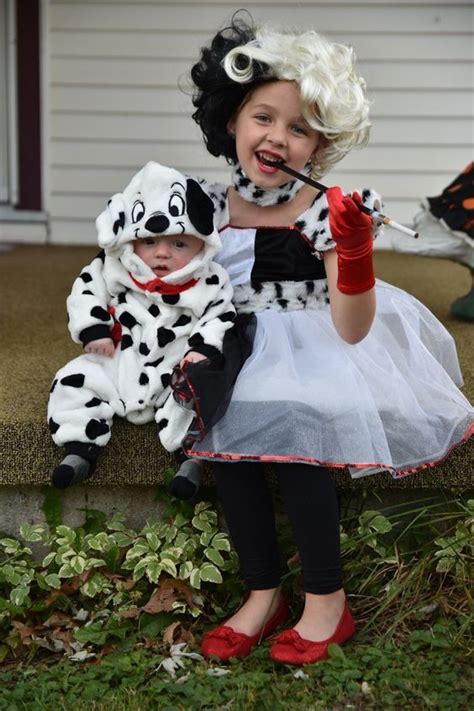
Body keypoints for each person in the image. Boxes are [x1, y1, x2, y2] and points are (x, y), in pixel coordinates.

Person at [180, 15, 474, 665]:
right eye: (264, 117)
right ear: (231, 118)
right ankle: (262, 592)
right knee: (227, 445)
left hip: (315, 339)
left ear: (321, 144)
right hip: (232, 343)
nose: (278, 137)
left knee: (297, 435)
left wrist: (354, 248)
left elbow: (351, 325)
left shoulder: (321, 213)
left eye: (300, 127)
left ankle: (326, 599)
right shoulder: (206, 206)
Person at [48, 161, 244, 497]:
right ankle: (80, 447)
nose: (162, 253)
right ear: (130, 240)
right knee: (72, 381)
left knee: (200, 398)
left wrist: (203, 348)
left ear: (202, 245)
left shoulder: (211, 280)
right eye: (150, 242)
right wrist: (95, 329)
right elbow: (85, 291)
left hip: (175, 369)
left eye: (179, 244)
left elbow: (221, 316)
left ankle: (191, 461)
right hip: (120, 360)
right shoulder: (113, 267)